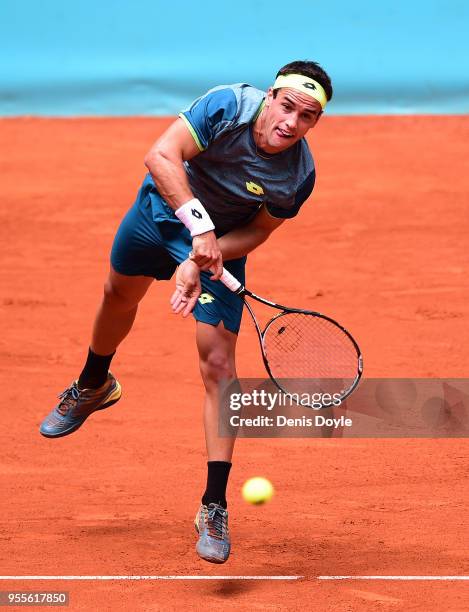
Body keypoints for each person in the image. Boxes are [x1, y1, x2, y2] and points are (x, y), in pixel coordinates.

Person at [39, 60, 333, 564]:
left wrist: (204, 254)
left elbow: (260, 231)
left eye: (306, 116)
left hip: (220, 247)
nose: (291, 123)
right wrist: (196, 231)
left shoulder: (297, 176)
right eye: (287, 106)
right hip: (159, 214)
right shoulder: (227, 106)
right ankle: (94, 383)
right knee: (118, 295)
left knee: (219, 367)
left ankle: (213, 503)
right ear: (270, 96)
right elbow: (161, 154)